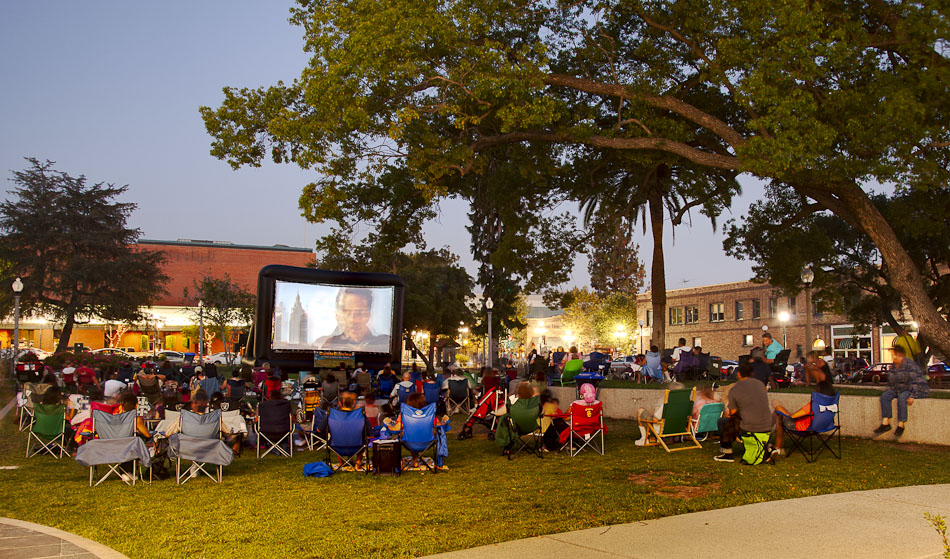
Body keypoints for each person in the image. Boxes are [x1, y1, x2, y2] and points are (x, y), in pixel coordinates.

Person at [771, 353, 836, 456]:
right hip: (824, 426)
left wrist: (780, 408)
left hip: (805, 428)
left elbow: (792, 416)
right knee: (779, 413)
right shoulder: (831, 403)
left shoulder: (814, 405)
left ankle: (778, 447)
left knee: (778, 414)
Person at [714, 361, 773, 463]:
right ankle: (767, 447)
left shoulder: (735, 389)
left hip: (750, 427)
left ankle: (727, 453)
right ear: (752, 374)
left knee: (723, 422)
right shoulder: (760, 384)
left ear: (738, 374)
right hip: (768, 425)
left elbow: (732, 412)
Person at [874, 344, 929, 437]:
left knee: (902, 397)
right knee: (885, 396)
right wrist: (889, 391)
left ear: (900, 355)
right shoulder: (894, 367)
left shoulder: (910, 365)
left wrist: (912, 396)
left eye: (894, 355)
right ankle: (885, 423)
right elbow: (891, 383)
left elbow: (916, 381)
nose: (892, 358)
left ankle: (901, 424)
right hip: (900, 389)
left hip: (915, 389)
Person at [313, 287, 390, 352]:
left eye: (359, 313)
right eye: (347, 312)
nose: (353, 320)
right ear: (337, 315)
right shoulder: (325, 344)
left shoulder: (385, 344)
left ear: (369, 315)